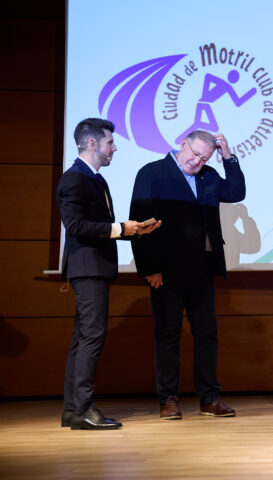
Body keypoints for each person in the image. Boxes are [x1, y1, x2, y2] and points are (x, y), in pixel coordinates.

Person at [130, 129, 245, 420]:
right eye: (194, 155)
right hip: (166, 271)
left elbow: (236, 191)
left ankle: (209, 398)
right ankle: (168, 399)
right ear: (182, 144)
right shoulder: (153, 172)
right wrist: (149, 268)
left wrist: (227, 156)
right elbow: (139, 222)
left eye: (205, 158)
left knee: (207, 335)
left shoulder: (209, 176)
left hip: (202, 269)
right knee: (168, 335)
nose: (197, 162)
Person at [57, 118, 160, 430]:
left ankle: (74, 410)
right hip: (88, 269)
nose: (114, 148)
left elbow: (100, 227)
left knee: (83, 338)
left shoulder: (95, 180)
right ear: (92, 144)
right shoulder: (75, 179)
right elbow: (75, 226)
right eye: (110, 143)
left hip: (95, 268)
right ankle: (84, 408)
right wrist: (120, 228)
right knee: (91, 337)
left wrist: (135, 231)